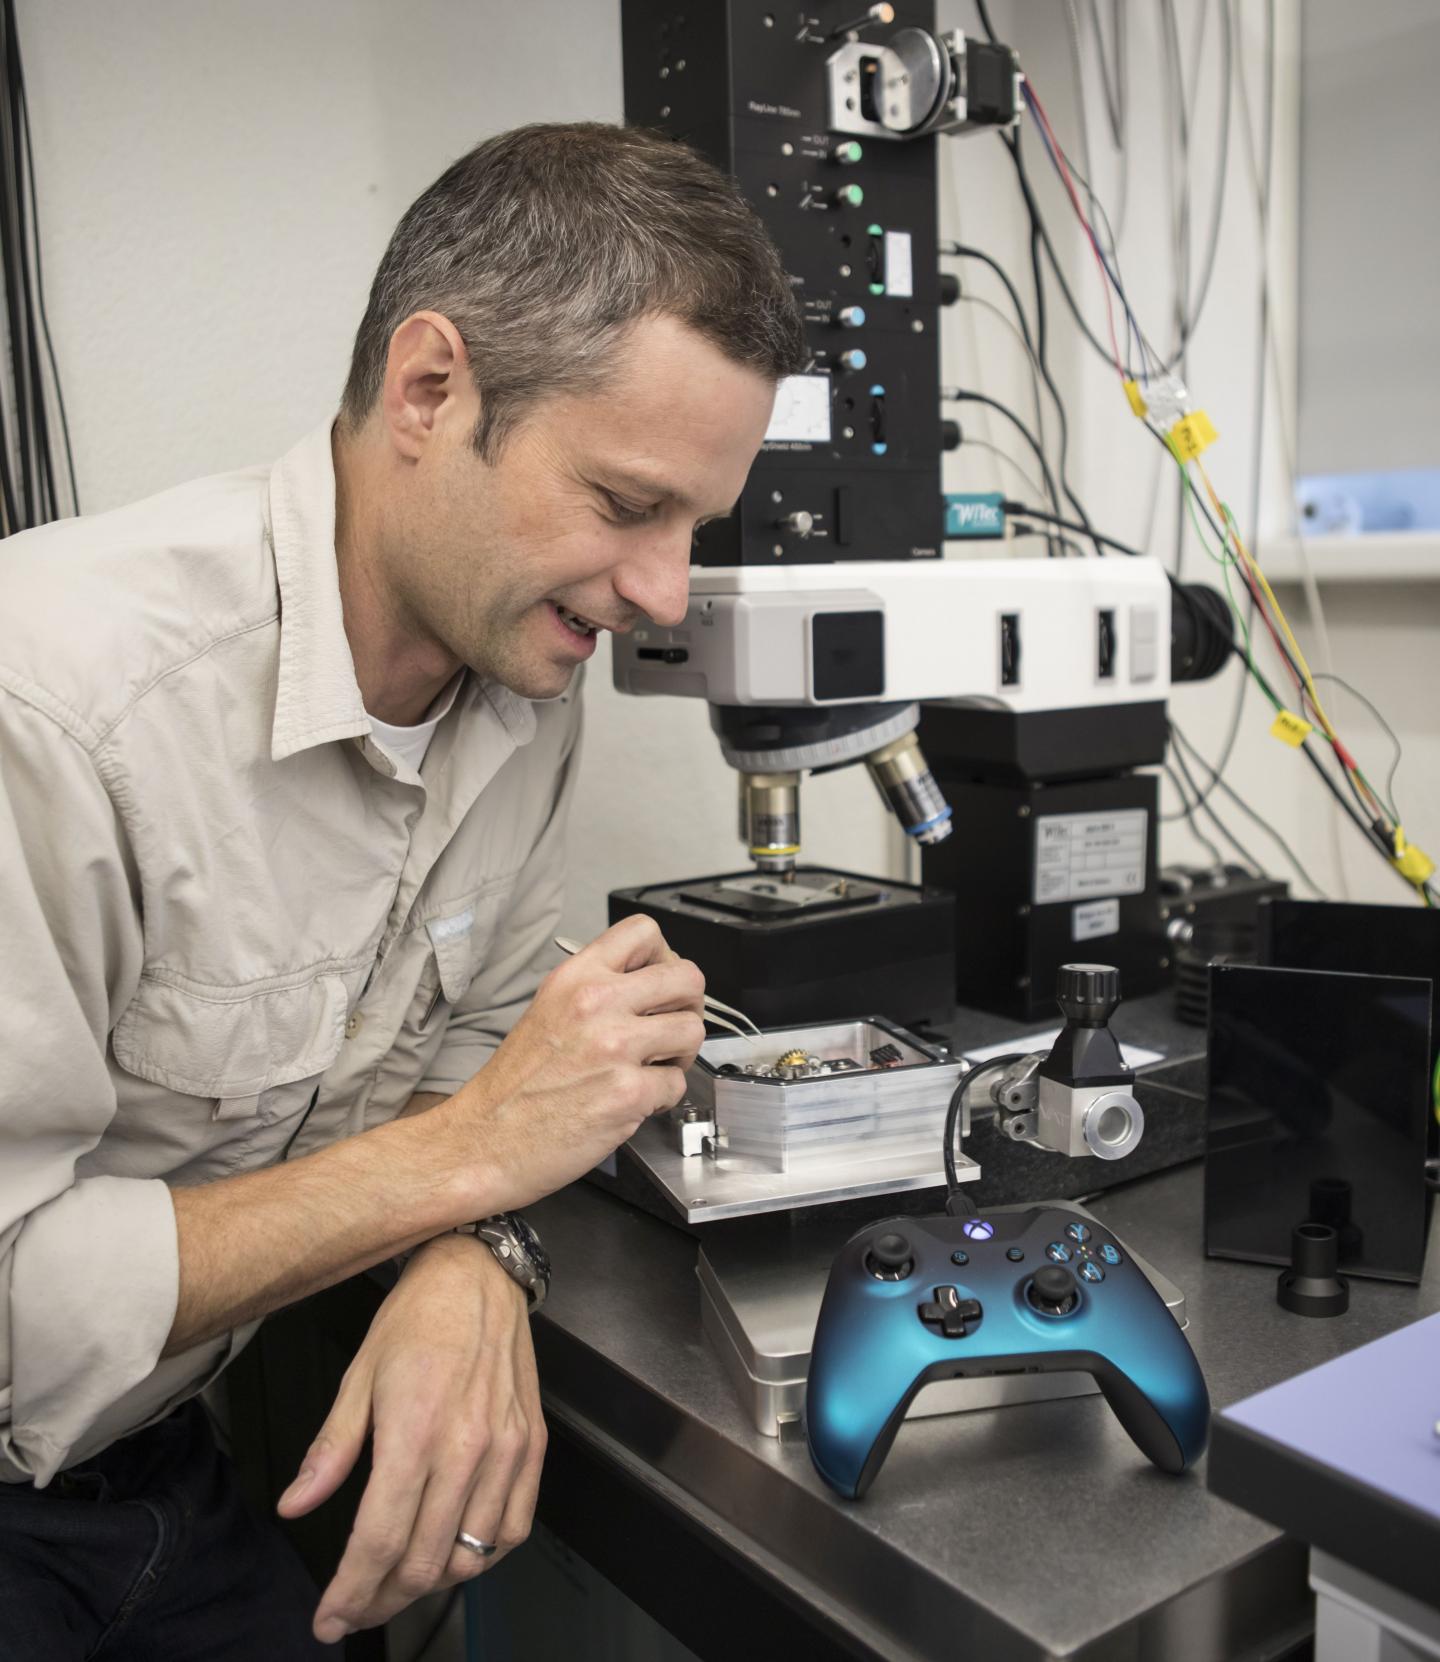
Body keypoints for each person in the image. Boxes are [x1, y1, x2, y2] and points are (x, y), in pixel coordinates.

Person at [0, 121, 805, 1654]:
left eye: (697, 523)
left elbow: (465, 1064)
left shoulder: (522, 695)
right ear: (430, 391)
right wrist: (471, 1159)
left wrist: (471, 1255)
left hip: (173, 1460)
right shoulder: (56, 703)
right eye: (629, 502)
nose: (663, 596)